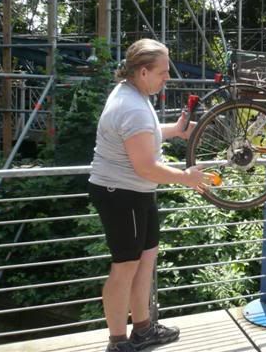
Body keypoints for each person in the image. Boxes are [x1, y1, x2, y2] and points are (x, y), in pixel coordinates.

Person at [88, 38, 210, 352]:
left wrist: (176, 130)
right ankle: (118, 342)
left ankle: (142, 330)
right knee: (125, 265)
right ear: (143, 72)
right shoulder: (131, 106)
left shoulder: (134, 94)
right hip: (121, 193)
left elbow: (145, 133)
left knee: (145, 259)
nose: (167, 77)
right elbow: (146, 166)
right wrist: (186, 178)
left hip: (138, 191)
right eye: (163, 72)